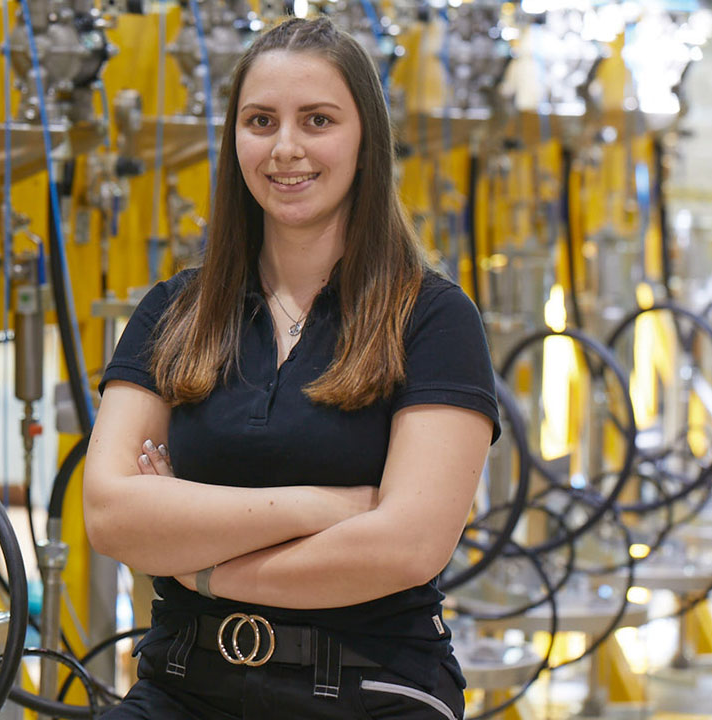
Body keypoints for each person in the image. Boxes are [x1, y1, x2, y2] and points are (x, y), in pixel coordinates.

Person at [84, 16, 499, 720]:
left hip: (372, 687)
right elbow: (111, 513)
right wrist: (322, 507)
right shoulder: (175, 311)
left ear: (365, 137)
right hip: (184, 682)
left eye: (317, 120)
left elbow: (405, 547)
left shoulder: (431, 317)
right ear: (234, 140)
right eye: (260, 120)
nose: (285, 148)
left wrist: (202, 565)